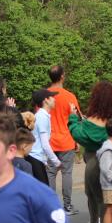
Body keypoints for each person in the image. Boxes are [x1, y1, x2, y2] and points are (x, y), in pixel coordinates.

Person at [70, 81, 112, 223]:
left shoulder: (89, 122)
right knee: (101, 195)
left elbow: (77, 134)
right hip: (109, 160)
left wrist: (73, 118)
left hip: (92, 159)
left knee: (92, 194)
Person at [45, 65, 80, 215]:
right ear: (62, 76)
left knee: (50, 174)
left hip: (49, 141)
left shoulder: (44, 96)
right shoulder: (70, 96)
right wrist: (76, 140)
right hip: (67, 140)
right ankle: (67, 206)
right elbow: (76, 119)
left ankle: (52, 206)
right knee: (67, 173)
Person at [27, 89, 59, 185]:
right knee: (42, 190)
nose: (54, 99)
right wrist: (57, 162)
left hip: (37, 158)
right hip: (35, 158)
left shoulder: (42, 116)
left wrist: (44, 161)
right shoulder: (42, 117)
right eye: (52, 97)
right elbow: (45, 144)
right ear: (46, 100)